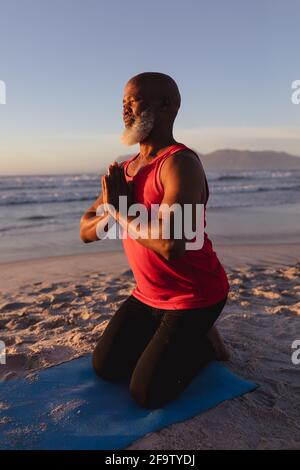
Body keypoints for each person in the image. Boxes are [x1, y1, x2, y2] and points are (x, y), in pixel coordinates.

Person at [80, 72, 230, 409]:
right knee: (106, 368)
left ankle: (207, 344)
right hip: (148, 295)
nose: (125, 111)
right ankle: (181, 337)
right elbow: (86, 230)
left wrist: (120, 212)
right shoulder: (126, 169)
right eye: (123, 104)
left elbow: (172, 244)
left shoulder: (180, 165)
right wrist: (114, 212)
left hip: (195, 295)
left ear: (167, 106)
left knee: (146, 394)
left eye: (134, 101)